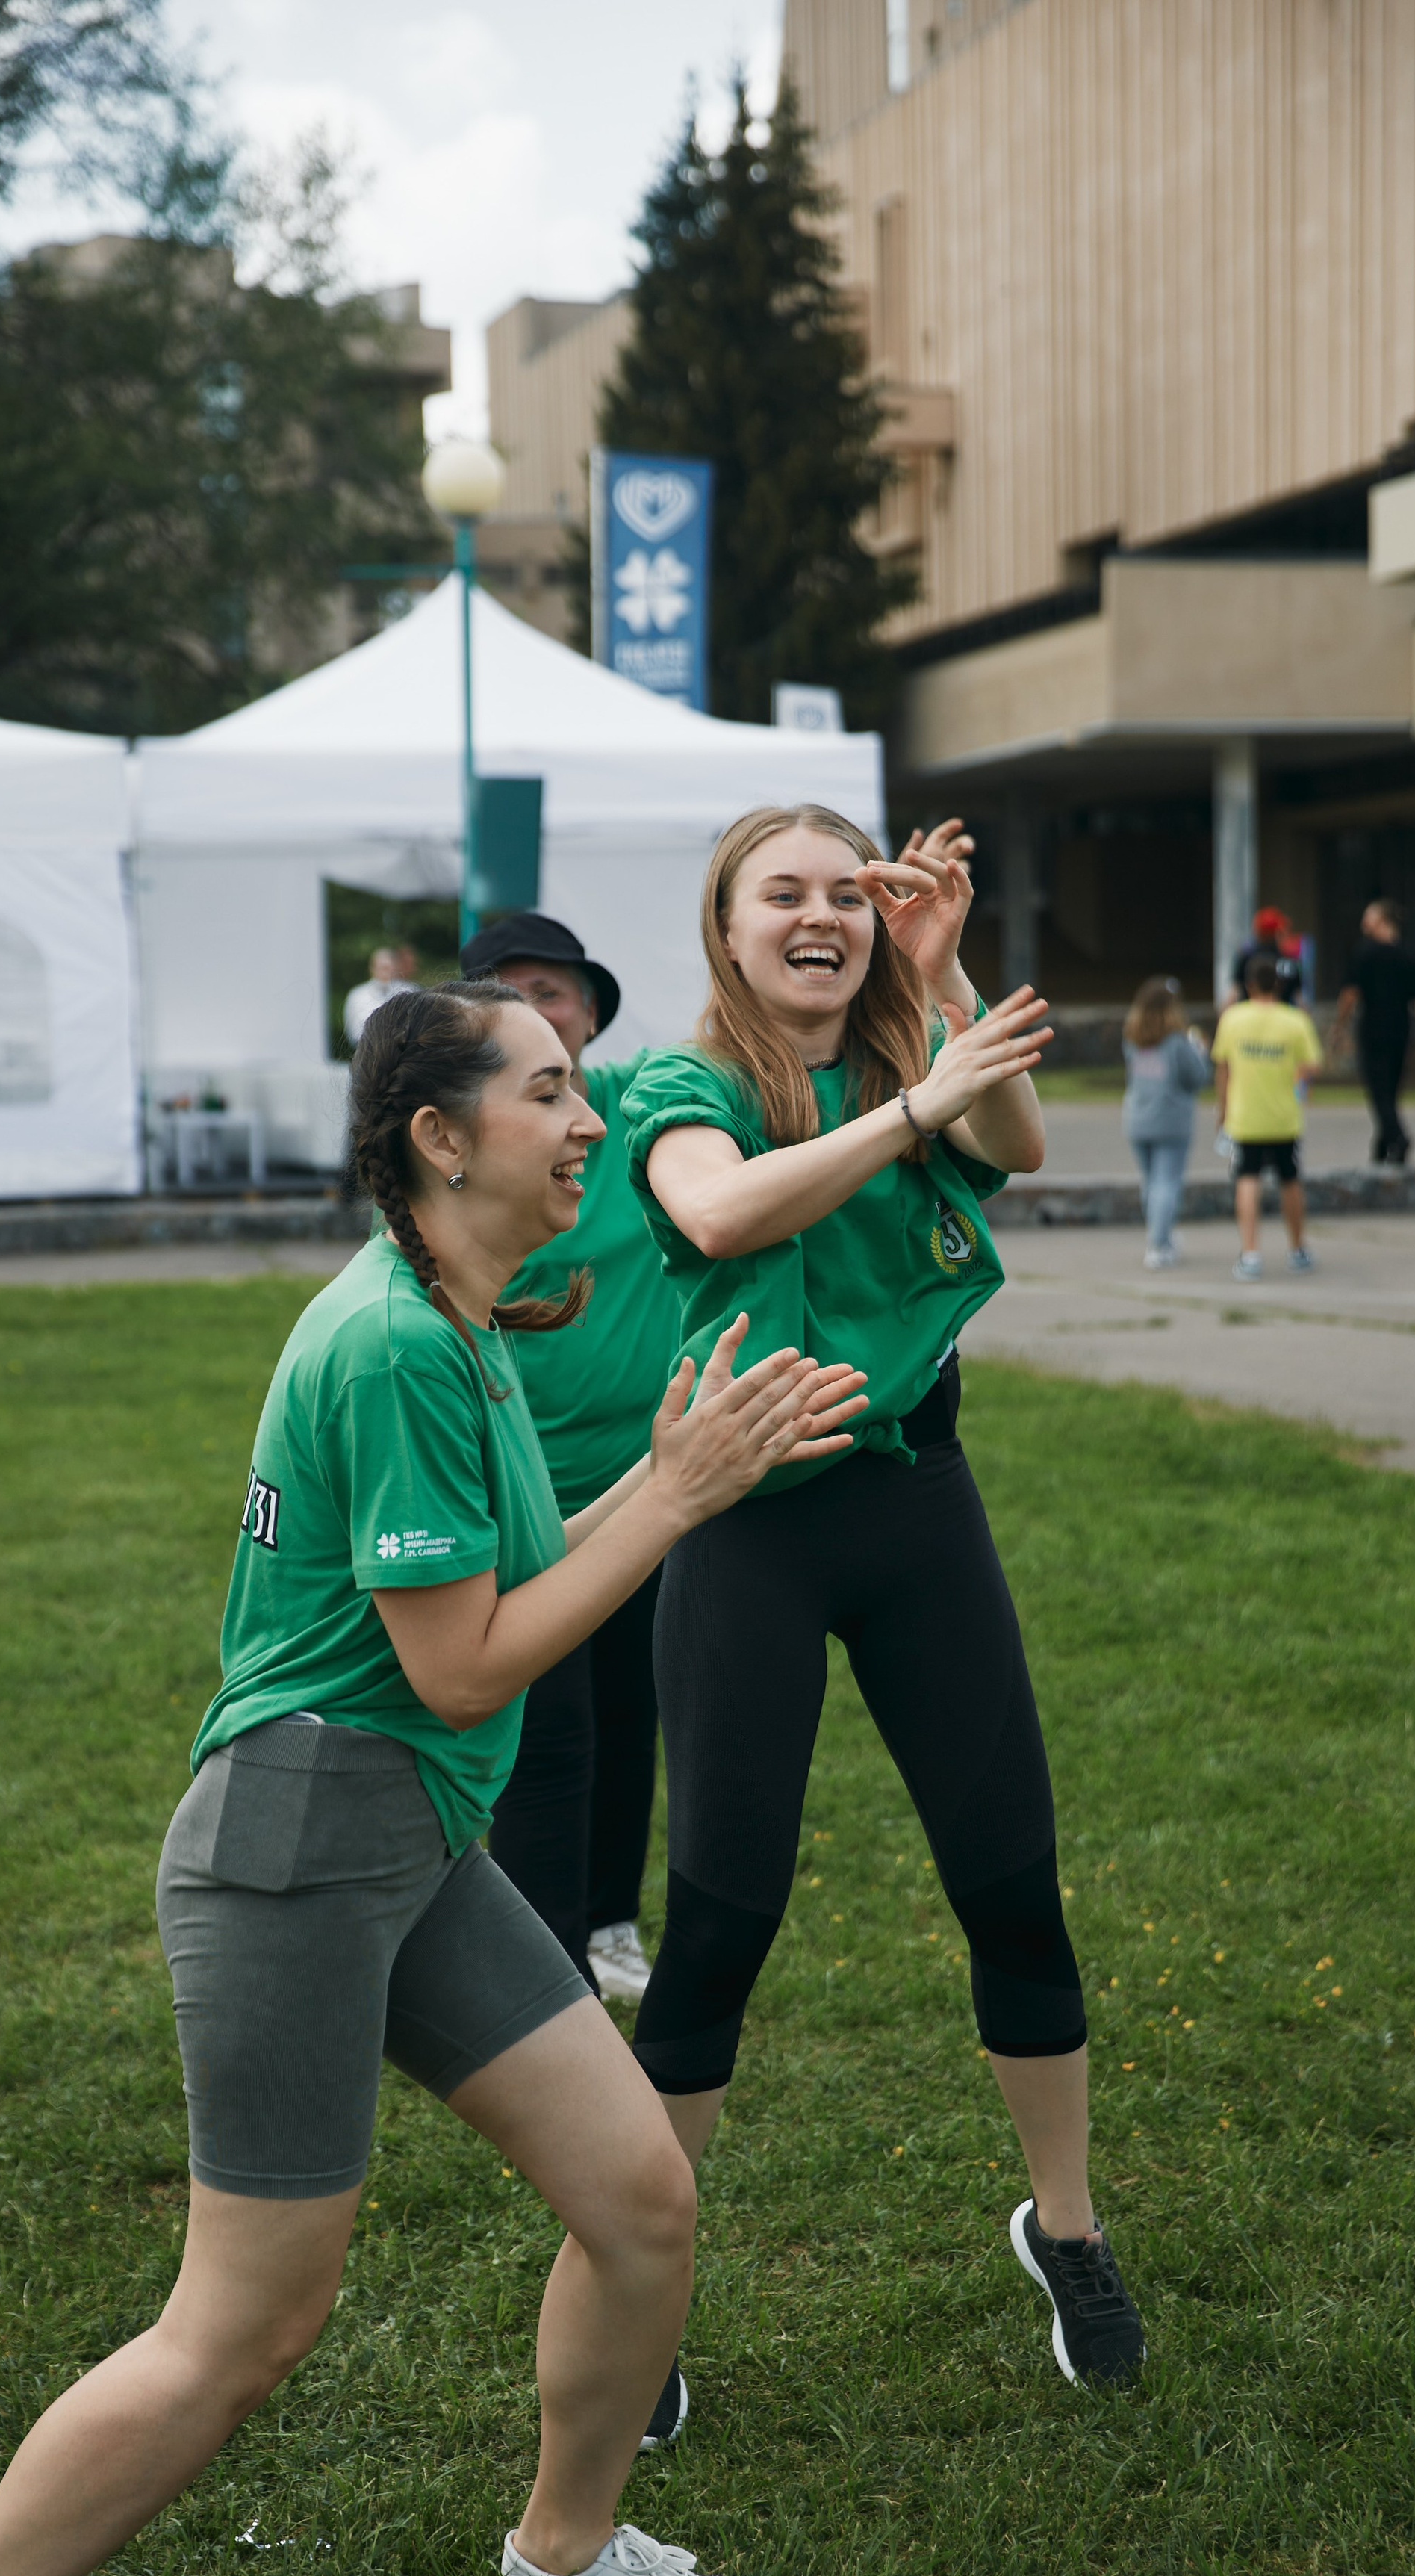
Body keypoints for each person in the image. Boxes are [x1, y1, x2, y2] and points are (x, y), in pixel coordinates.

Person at [0, 981, 867, 2576]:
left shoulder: (462, 1325)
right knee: (245, 2322)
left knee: (638, 2198)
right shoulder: (388, 1340)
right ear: (439, 1138)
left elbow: (502, 1606)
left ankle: (567, 2546)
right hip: (300, 1844)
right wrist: (678, 1497)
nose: (586, 1124)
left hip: (400, 1840)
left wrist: (668, 1465)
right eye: (548, 1093)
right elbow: (461, 1667)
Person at [616, 801, 1148, 2444]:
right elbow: (717, 1214)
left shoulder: (908, 1050)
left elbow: (1019, 1151)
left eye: (845, 895)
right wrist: (910, 1098)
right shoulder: (673, 1088)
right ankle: (638, 2292)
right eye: (781, 894)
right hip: (744, 1532)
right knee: (713, 1927)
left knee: (1012, 1886)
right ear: (724, 927)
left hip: (915, 1504)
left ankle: (1063, 2230)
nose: (818, 917)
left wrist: (940, 977)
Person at [469, 912, 680, 2019]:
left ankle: (607, 1920)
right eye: (504, 994)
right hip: (520, 1494)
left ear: (591, 1014)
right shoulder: (461, 1147)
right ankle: (541, 1965)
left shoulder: (646, 1104)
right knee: (548, 1728)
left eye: (550, 990)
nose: (532, 1010)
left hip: (648, 1483)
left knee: (632, 1709)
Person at [1211, 953, 1323, 1281]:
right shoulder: (1295, 1020)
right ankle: (1298, 1248)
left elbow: (1223, 1069)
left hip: (1245, 1117)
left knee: (1247, 1180)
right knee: (1290, 1180)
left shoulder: (1232, 1019)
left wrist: (1223, 1111)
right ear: (1278, 983)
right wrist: (1297, 1081)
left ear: (1247, 985)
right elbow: (1312, 1064)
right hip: (1284, 1116)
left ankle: (1250, 1254)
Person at [1333, 897, 1415, 1165]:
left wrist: (1339, 1027)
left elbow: (1350, 995)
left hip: (1372, 1028)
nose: (1363, 923)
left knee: (1378, 1090)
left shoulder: (1364, 953)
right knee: (1390, 1089)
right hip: (1401, 1028)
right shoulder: (1409, 954)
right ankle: (1382, 1145)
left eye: (1368, 917)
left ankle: (1399, 1138)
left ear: (1382, 921)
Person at [1120, 975, 1207, 1268]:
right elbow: (1197, 1078)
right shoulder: (1179, 1042)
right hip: (1170, 1122)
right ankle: (1158, 1246)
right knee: (1166, 1184)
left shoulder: (1131, 1038)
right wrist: (1200, 1051)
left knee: (1152, 1184)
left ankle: (1162, 1235)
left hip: (1137, 1119)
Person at [343, 944, 418, 1052]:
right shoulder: (358, 995)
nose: (386, 972)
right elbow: (354, 1032)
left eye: (389, 968)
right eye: (383, 968)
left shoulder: (410, 991)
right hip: (368, 1052)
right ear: (373, 968)